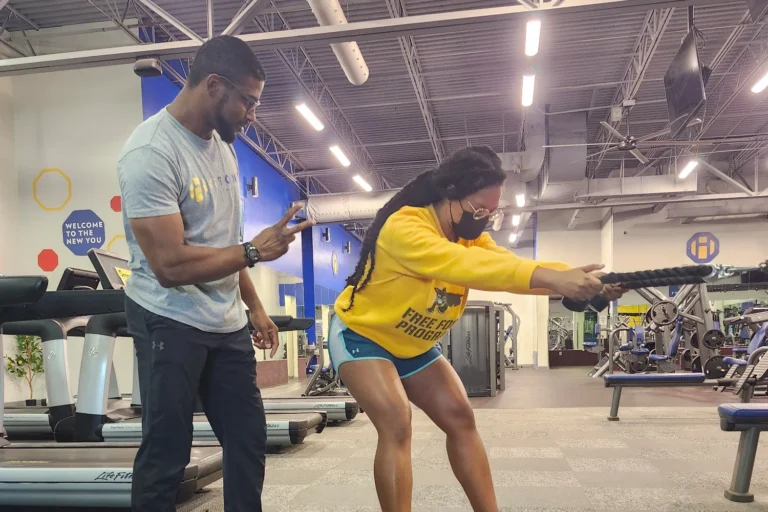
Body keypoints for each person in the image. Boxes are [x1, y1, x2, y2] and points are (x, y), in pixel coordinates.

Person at [330, 146, 625, 512]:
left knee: (460, 417)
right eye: (480, 211)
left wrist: (579, 279)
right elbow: (467, 266)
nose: (485, 219)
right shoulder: (405, 228)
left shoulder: (467, 234)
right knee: (396, 421)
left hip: (414, 345)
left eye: (493, 212)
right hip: (364, 334)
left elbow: (506, 266)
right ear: (450, 196)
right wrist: (557, 279)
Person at [117, 35, 312, 512]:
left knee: (248, 440)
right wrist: (252, 251)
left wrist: (256, 306)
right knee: (167, 452)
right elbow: (170, 266)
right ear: (213, 86)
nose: (253, 113)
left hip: (224, 324)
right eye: (247, 100)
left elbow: (224, 244)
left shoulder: (223, 149)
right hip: (169, 317)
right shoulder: (151, 154)